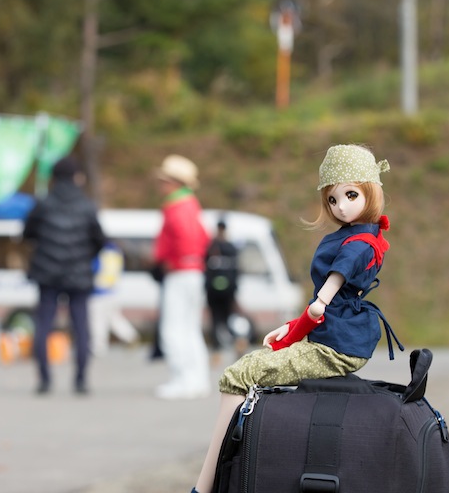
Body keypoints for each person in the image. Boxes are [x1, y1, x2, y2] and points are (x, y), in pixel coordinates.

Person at [191, 144, 402, 493]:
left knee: (238, 375)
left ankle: (207, 483)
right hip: (330, 332)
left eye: (351, 195)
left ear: (371, 192)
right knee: (254, 365)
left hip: (336, 344)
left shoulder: (360, 241)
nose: (341, 206)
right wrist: (293, 328)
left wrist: (320, 302)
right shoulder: (358, 234)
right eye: (333, 200)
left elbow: (339, 273)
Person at [22, 156, 106, 395]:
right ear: (76, 177)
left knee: (44, 326)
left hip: (47, 273)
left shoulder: (43, 204)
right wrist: (85, 255)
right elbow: (100, 239)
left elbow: (28, 233)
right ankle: (80, 380)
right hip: (79, 273)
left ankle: (44, 380)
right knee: (81, 327)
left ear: (54, 177)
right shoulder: (87, 205)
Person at [152, 155, 211, 400]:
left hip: (179, 272)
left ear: (174, 182)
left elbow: (178, 241)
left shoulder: (175, 207)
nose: (161, 185)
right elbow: (204, 239)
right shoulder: (192, 204)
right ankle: (197, 379)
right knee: (190, 328)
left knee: (173, 328)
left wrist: (162, 258)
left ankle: (181, 380)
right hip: (195, 271)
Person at [203, 218, 244, 360]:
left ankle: (216, 353)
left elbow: (205, 270)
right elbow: (237, 271)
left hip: (213, 292)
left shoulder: (211, 247)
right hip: (229, 291)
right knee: (229, 319)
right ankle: (238, 342)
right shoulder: (232, 248)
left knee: (215, 321)